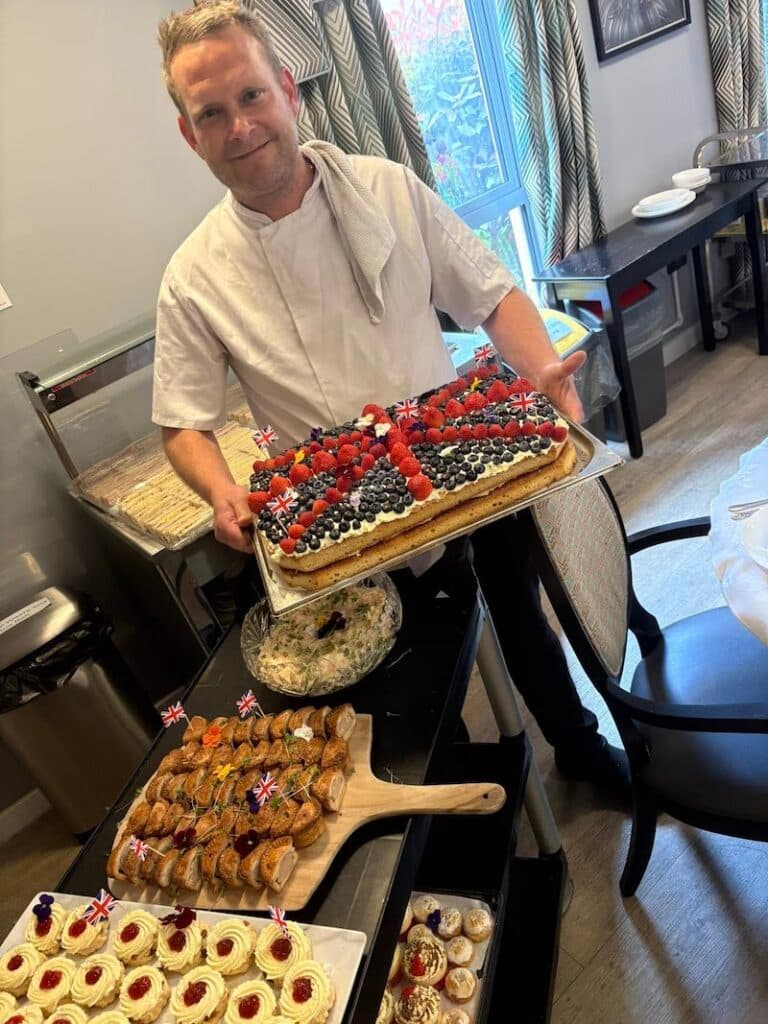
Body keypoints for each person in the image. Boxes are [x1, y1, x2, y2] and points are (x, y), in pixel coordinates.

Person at [152, 0, 629, 798]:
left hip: (455, 461)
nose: (239, 128)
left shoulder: (388, 189)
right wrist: (220, 488)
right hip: (341, 518)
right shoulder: (194, 275)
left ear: (289, 91)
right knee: (419, 683)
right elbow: (182, 424)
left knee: (524, 622)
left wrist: (542, 368)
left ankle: (578, 749)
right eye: (210, 113)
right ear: (187, 134)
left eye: (251, 96)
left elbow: (491, 295)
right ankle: (475, 810)